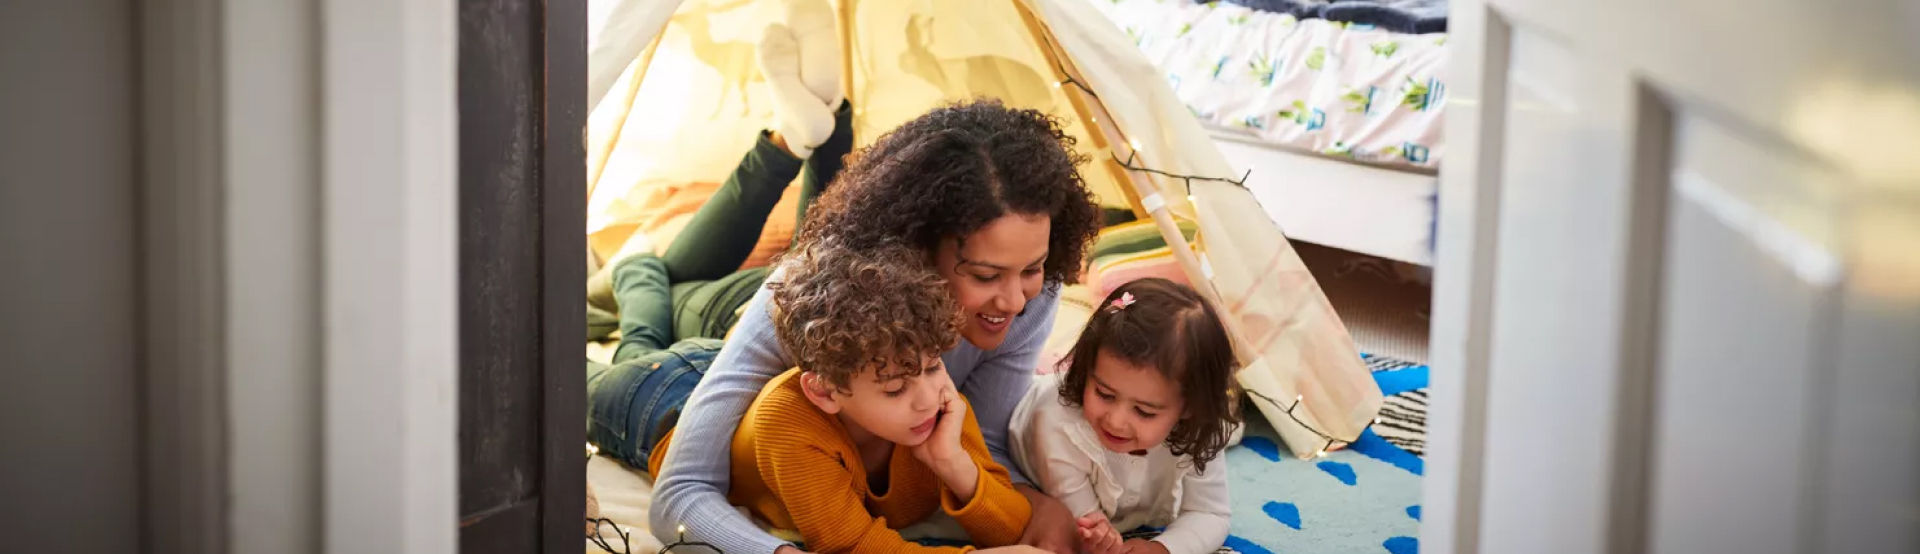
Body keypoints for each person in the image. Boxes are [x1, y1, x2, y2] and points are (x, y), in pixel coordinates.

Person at [649, 33, 1102, 554]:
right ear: (915, 250)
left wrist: (1026, 499)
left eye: (1033, 268)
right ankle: (644, 268)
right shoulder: (795, 295)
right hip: (682, 372)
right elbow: (679, 495)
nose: (1017, 301)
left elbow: (982, 445)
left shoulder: (1031, 297)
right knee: (648, 310)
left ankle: (819, 127)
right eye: (984, 275)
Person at [644, 241, 1040, 553]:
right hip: (661, 396)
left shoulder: (939, 403)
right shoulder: (790, 422)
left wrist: (954, 463)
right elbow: (850, 545)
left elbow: (1012, 525)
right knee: (615, 361)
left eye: (934, 366)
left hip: (717, 373)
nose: (926, 399)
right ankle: (639, 271)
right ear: (824, 391)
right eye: (895, 388)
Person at [1008, 279, 1241, 554]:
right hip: (1028, 433)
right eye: (1104, 394)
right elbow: (1085, 528)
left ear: (1190, 407)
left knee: (1228, 427)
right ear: (1087, 369)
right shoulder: (1056, 424)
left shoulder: (1201, 429)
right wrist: (1101, 539)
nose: (1115, 421)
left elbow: (1211, 513)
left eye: (1144, 411)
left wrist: (1164, 549)